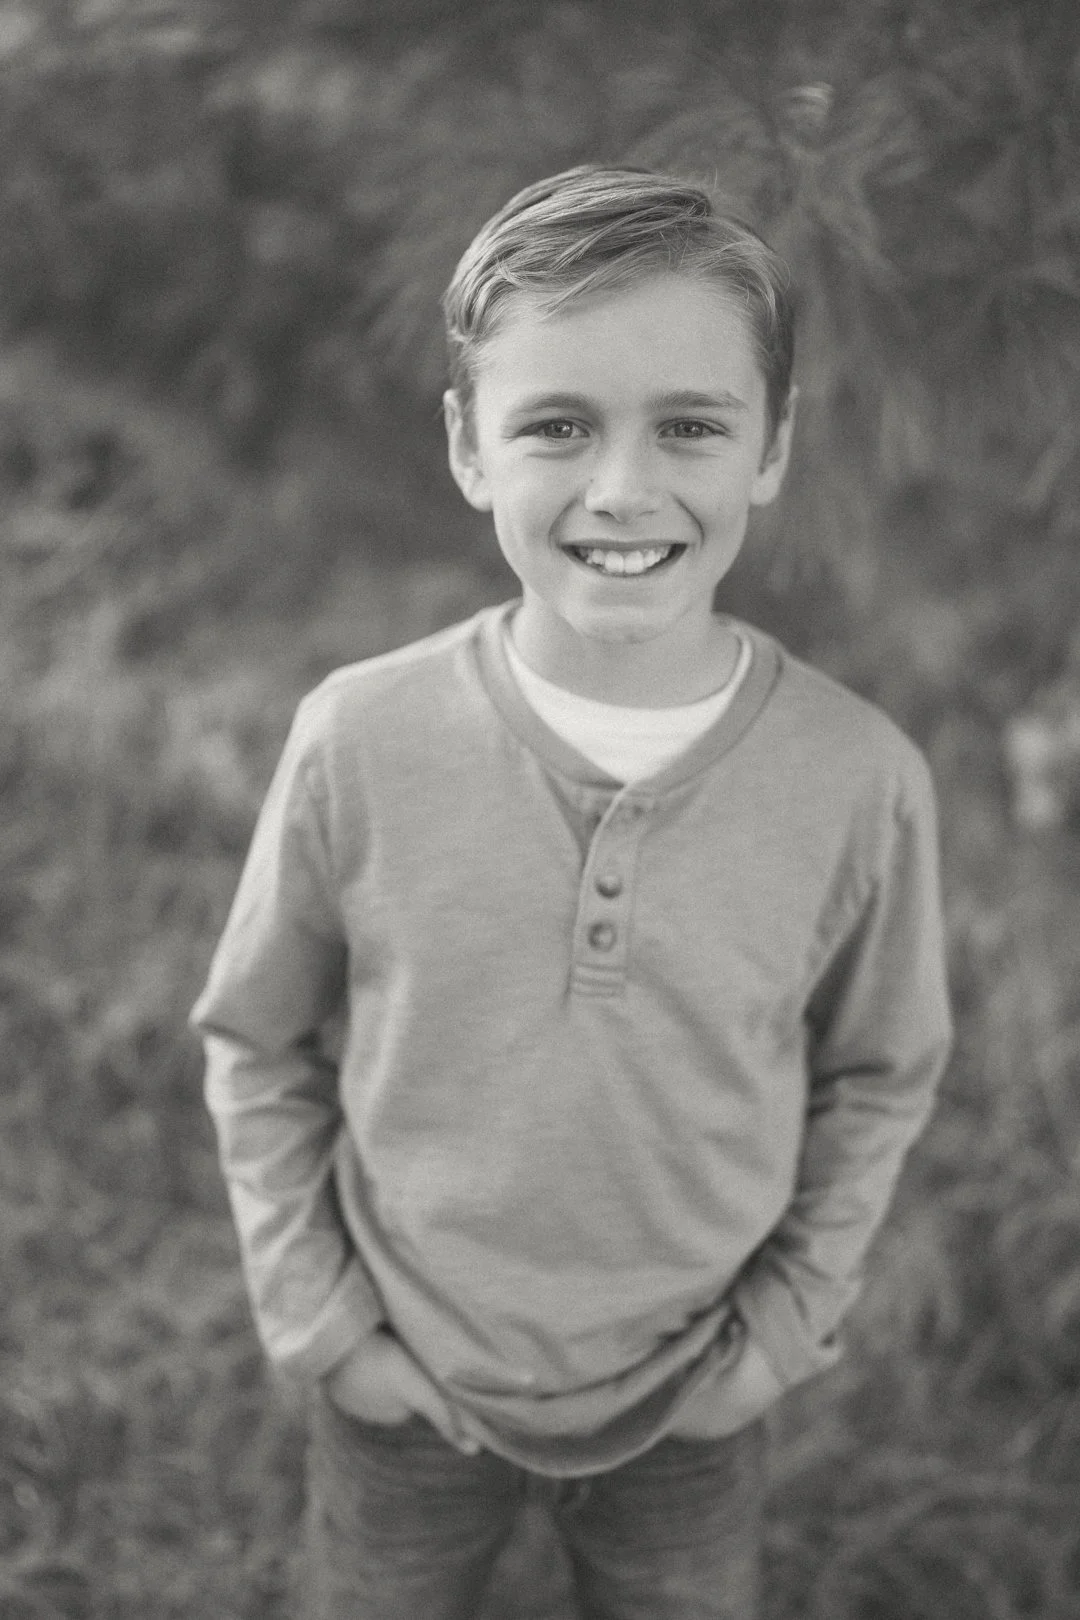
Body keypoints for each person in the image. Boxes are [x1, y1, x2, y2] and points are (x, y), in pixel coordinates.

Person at [192, 165, 953, 1620]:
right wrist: (327, 1325)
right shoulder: (358, 737)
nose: (624, 488)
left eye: (689, 427)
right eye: (556, 425)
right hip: (402, 1370)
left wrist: (781, 1336)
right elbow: (258, 1039)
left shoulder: (863, 779)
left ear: (773, 447)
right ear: (468, 448)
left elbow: (882, 1068)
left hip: (692, 1390)